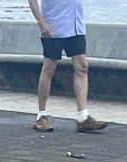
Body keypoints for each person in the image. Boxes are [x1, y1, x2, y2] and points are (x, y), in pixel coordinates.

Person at [28, 0, 107, 132]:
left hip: (76, 26)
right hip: (54, 26)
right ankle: (41, 115)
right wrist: (41, 22)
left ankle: (83, 117)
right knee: (49, 67)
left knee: (82, 66)